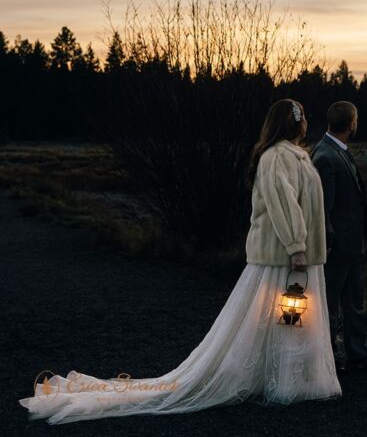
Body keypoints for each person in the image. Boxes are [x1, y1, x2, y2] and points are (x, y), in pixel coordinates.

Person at [19, 99, 342, 424]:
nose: (306, 122)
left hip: (298, 257)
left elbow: (306, 207)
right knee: (287, 316)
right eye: (301, 117)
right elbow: (282, 205)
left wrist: (315, 246)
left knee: (294, 317)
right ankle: (281, 381)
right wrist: (297, 246)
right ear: (291, 122)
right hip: (282, 257)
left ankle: (292, 378)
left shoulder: (298, 156)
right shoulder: (275, 158)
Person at [312, 101, 367, 372]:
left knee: (354, 302)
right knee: (328, 306)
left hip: (351, 245)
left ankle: (357, 356)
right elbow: (323, 209)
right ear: (352, 123)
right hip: (336, 247)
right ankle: (326, 360)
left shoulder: (336, 151)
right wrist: (328, 243)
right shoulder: (325, 156)